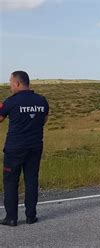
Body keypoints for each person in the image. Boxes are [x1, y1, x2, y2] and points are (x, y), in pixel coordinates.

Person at [0, 71, 49, 227]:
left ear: (18, 83)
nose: (9, 85)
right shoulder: (42, 101)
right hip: (35, 147)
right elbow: (44, 120)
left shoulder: (11, 102)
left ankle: (11, 218)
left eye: (10, 82)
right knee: (31, 180)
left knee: (10, 182)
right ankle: (31, 216)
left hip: (15, 148)